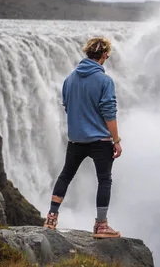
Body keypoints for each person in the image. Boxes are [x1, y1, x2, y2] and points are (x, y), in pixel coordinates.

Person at [43, 37, 123, 238]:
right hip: (100, 142)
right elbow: (109, 113)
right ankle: (101, 226)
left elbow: (68, 106)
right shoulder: (105, 81)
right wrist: (117, 140)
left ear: (87, 53)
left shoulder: (69, 79)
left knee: (65, 176)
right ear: (104, 55)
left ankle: (51, 218)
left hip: (76, 140)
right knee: (104, 180)